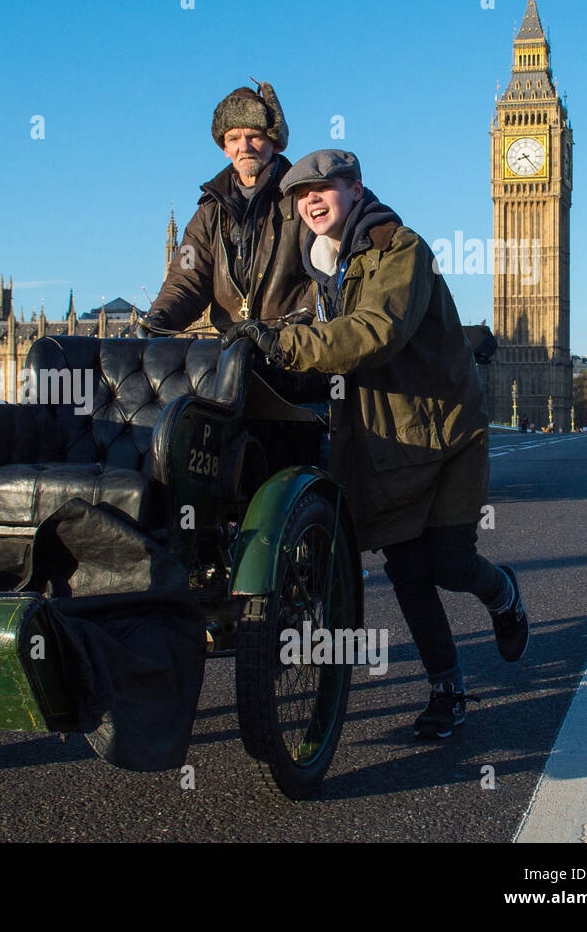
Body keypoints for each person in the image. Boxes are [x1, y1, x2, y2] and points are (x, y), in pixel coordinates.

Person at [225, 149, 528, 740]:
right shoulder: (320, 268)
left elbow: (372, 332)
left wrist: (286, 345)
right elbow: (312, 331)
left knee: (451, 563)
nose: (312, 200)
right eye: (301, 194)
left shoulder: (400, 249)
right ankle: (448, 688)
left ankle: (504, 592)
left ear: (356, 189)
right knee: (410, 570)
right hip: (384, 441)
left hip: (445, 435)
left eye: (325, 188)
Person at [142, 81, 315, 336]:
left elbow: (325, 279)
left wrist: (289, 336)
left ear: (275, 142)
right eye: (234, 138)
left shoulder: (305, 199)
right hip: (228, 352)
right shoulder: (209, 213)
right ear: (225, 149)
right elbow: (185, 282)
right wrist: (158, 320)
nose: (243, 147)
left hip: (293, 350)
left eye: (254, 136)